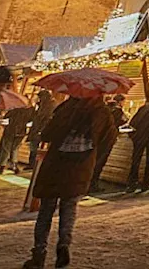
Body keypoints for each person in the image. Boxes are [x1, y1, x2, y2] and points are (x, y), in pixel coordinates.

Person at [24, 93, 116, 269]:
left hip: (56, 165)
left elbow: (47, 134)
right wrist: (92, 157)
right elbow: (108, 139)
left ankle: (39, 253)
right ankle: (64, 245)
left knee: (46, 211)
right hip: (80, 167)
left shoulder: (66, 109)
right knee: (69, 208)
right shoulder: (102, 112)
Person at [89, 94, 128, 192]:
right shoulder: (117, 111)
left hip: (98, 140)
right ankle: (93, 184)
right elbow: (123, 121)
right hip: (106, 140)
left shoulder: (103, 110)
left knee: (94, 161)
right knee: (100, 161)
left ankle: (90, 182)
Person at [0, 104, 35, 175]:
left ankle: (2, 167)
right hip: (21, 132)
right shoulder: (29, 111)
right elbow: (30, 120)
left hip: (10, 131)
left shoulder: (14, 109)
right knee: (15, 149)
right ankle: (14, 166)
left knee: (6, 149)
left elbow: (6, 117)